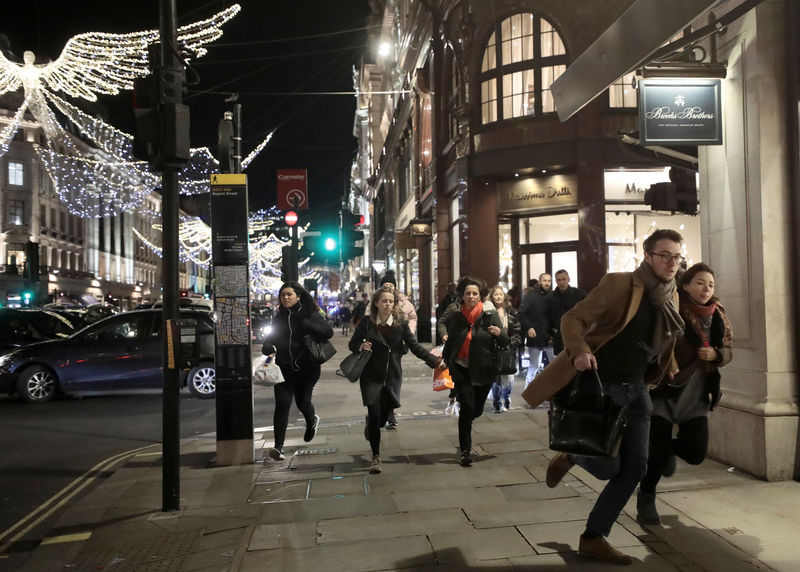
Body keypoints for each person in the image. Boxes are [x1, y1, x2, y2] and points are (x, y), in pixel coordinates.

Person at [523, 229, 685, 565]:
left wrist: (669, 363)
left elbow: (664, 337)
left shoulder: (671, 295)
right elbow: (573, 318)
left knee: (635, 468)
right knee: (609, 467)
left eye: (677, 257)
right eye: (665, 255)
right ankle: (573, 457)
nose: (672, 263)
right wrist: (580, 350)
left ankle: (593, 538)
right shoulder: (620, 284)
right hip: (604, 384)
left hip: (638, 388)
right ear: (648, 256)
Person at [636, 262, 733, 525]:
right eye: (700, 282)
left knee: (695, 452)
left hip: (696, 394)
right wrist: (667, 361)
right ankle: (646, 498)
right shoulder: (672, 308)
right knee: (655, 456)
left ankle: (667, 450)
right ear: (686, 285)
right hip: (664, 391)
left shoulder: (718, 315)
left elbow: (728, 349)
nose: (706, 288)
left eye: (711, 284)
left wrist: (717, 355)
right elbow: (654, 342)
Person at [349, 285, 441, 474]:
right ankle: (376, 457)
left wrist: (435, 361)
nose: (388, 304)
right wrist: (361, 345)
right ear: (376, 303)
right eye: (384, 301)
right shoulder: (367, 323)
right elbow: (352, 344)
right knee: (375, 415)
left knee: (382, 418)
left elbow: (415, 347)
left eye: (391, 301)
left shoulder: (401, 325)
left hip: (392, 377)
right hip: (371, 376)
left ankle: (372, 425)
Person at [261, 281, 333, 461]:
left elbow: (327, 332)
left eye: (289, 294)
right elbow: (269, 342)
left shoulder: (310, 314)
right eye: (283, 295)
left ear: (298, 296)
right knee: (282, 404)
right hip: (284, 368)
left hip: (308, 368)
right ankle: (278, 447)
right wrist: (267, 346)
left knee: (302, 402)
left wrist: (306, 322)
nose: (285, 298)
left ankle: (311, 420)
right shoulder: (279, 318)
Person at [441, 276, 508, 467]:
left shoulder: (489, 315)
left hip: (485, 369)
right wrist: (444, 360)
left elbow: (504, 341)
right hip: (461, 369)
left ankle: (467, 421)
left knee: (476, 410)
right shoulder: (457, 317)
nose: (471, 296)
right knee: (467, 408)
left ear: (480, 296)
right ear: (462, 296)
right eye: (468, 293)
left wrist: (499, 333)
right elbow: (452, 340)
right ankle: (465, 451)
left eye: (475, 293)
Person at [487, 285, 522, 413]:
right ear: (492, 297)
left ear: (504, 296)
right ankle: (497, 402)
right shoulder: (488, 312)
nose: (498, 296)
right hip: (494, 350)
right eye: (496, 294)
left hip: (509, 349)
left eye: (500, 294)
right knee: (496, 378)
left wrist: (512, 343)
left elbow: (517, 330)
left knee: (509, 377)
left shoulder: (512, 311)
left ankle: (506, 396)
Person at [518, 273, 554, 390]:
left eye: (549, 280)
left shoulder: (553, 296)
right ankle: (529, 391)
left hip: (550, 337)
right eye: (544, 280)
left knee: (554, 366)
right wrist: (529, 327)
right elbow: (522, 313)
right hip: (536, 335)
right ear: (539, 282)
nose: (547, 283)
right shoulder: (531, 296)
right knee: (534, 366)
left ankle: (554, 392)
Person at [546, 269, 587, 355]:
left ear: (568, 279)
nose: (562, 282)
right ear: (556, 281)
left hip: (577, 332)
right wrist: (549, 333)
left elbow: (586, 311)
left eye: (564, 279)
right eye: (559, 280)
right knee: (561, 360)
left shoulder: (579, 294)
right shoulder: (550, 297)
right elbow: (547, 315)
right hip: (558, 334)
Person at [435, 281, 460, 413]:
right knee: (455, 372)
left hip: (470, 348)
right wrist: (444, 335)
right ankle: (454, 396)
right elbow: (441, 320)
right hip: (454, 344)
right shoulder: (451, 305)